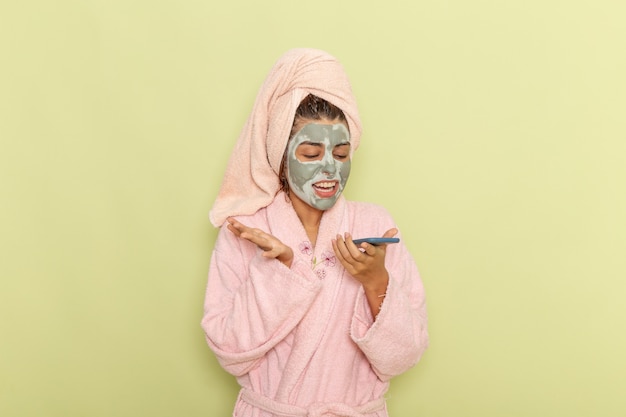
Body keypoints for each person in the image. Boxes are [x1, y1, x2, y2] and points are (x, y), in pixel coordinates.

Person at [202, 48, 428, 417]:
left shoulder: (375, 227)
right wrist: (279, 270)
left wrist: (376, 283)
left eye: (341, 154)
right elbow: (229, 352)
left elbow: (403, 357)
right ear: (281, 153)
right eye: (310, 154)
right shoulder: (247, 229)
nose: (329, 169)